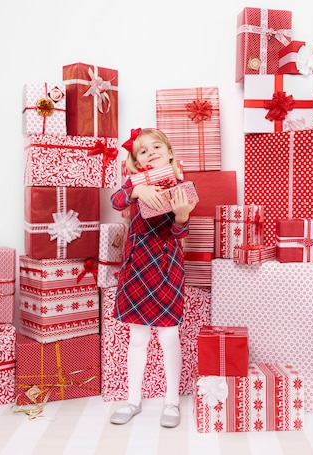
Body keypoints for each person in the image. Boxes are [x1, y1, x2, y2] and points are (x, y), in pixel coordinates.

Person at [109, 128, 196, 428]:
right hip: (137, 268)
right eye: (142, 151)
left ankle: (171, 402)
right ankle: (133, 399)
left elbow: (180, 233)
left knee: (169, 336)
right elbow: (116, 201)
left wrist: (182, 216)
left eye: (156, 146)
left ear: (170, 153)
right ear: (136, 161)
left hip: (167, 267)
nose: (150, 152)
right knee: (138, 337)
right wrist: (136, 190)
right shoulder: (133, 184)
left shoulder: (181, 186)